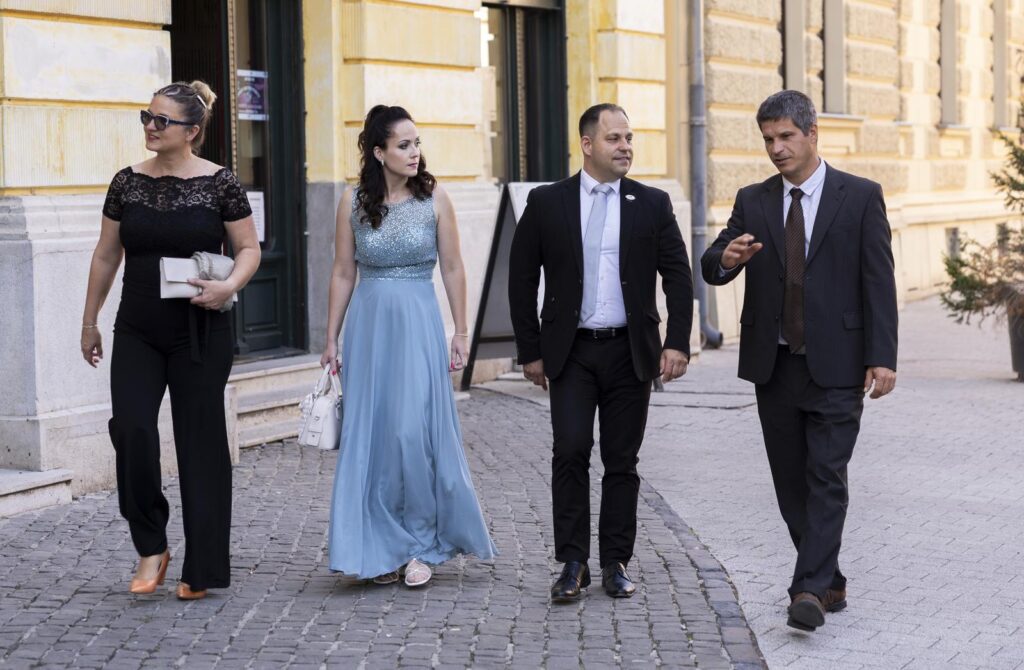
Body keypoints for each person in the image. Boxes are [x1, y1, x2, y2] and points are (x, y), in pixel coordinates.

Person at [701, 90, 898, 631]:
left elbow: (878, 280)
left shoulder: (860, 196)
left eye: (786, 136)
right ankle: (830, 579)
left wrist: (882, 356)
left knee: (826, 476)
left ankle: (807, 590)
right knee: (791, 485)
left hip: (838, 364)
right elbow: (713, 262)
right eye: (768, 139)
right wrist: (725, 259)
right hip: (775, 365)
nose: (776, 148)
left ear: (812, 134)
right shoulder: (753, 199)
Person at [81, 81, 260, 600]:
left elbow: (248, 248)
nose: (151, 127)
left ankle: (202, 565)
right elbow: (106, 254)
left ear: (192, 131)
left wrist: (228, 285)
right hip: (137, 327)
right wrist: (89, 321)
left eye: (163, 120)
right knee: (132, 429)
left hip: (200, 329)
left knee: (200, 443)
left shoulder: (219, 183)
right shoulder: (126, 182)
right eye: (147, 117)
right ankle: (151, 545)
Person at [508, 103, 694, 601]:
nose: (625, 146)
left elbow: (678, 276)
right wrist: (530, 350)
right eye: (614, 138)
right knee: (570, 451)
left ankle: (615, 562)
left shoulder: (652, 203)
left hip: (630, 352)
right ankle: (573, 563)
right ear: (587, 145)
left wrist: (677, 342)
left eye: (629, 137)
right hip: (571, 352)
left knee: (621, 459)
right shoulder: (548, 202)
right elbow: (521, 279)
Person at [322, 105, 497, 586]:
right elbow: (343, 271)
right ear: (379, 152)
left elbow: (454, 267)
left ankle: (421, 544)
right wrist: (331, 338)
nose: (414, 152)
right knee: (373, 438)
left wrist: (461, 331)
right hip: (369, 327)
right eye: (403, 145)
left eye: (416, 143)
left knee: (411, 434)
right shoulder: (353, 200)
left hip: (419, 324)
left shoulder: (435, 197)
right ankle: (381, 547)